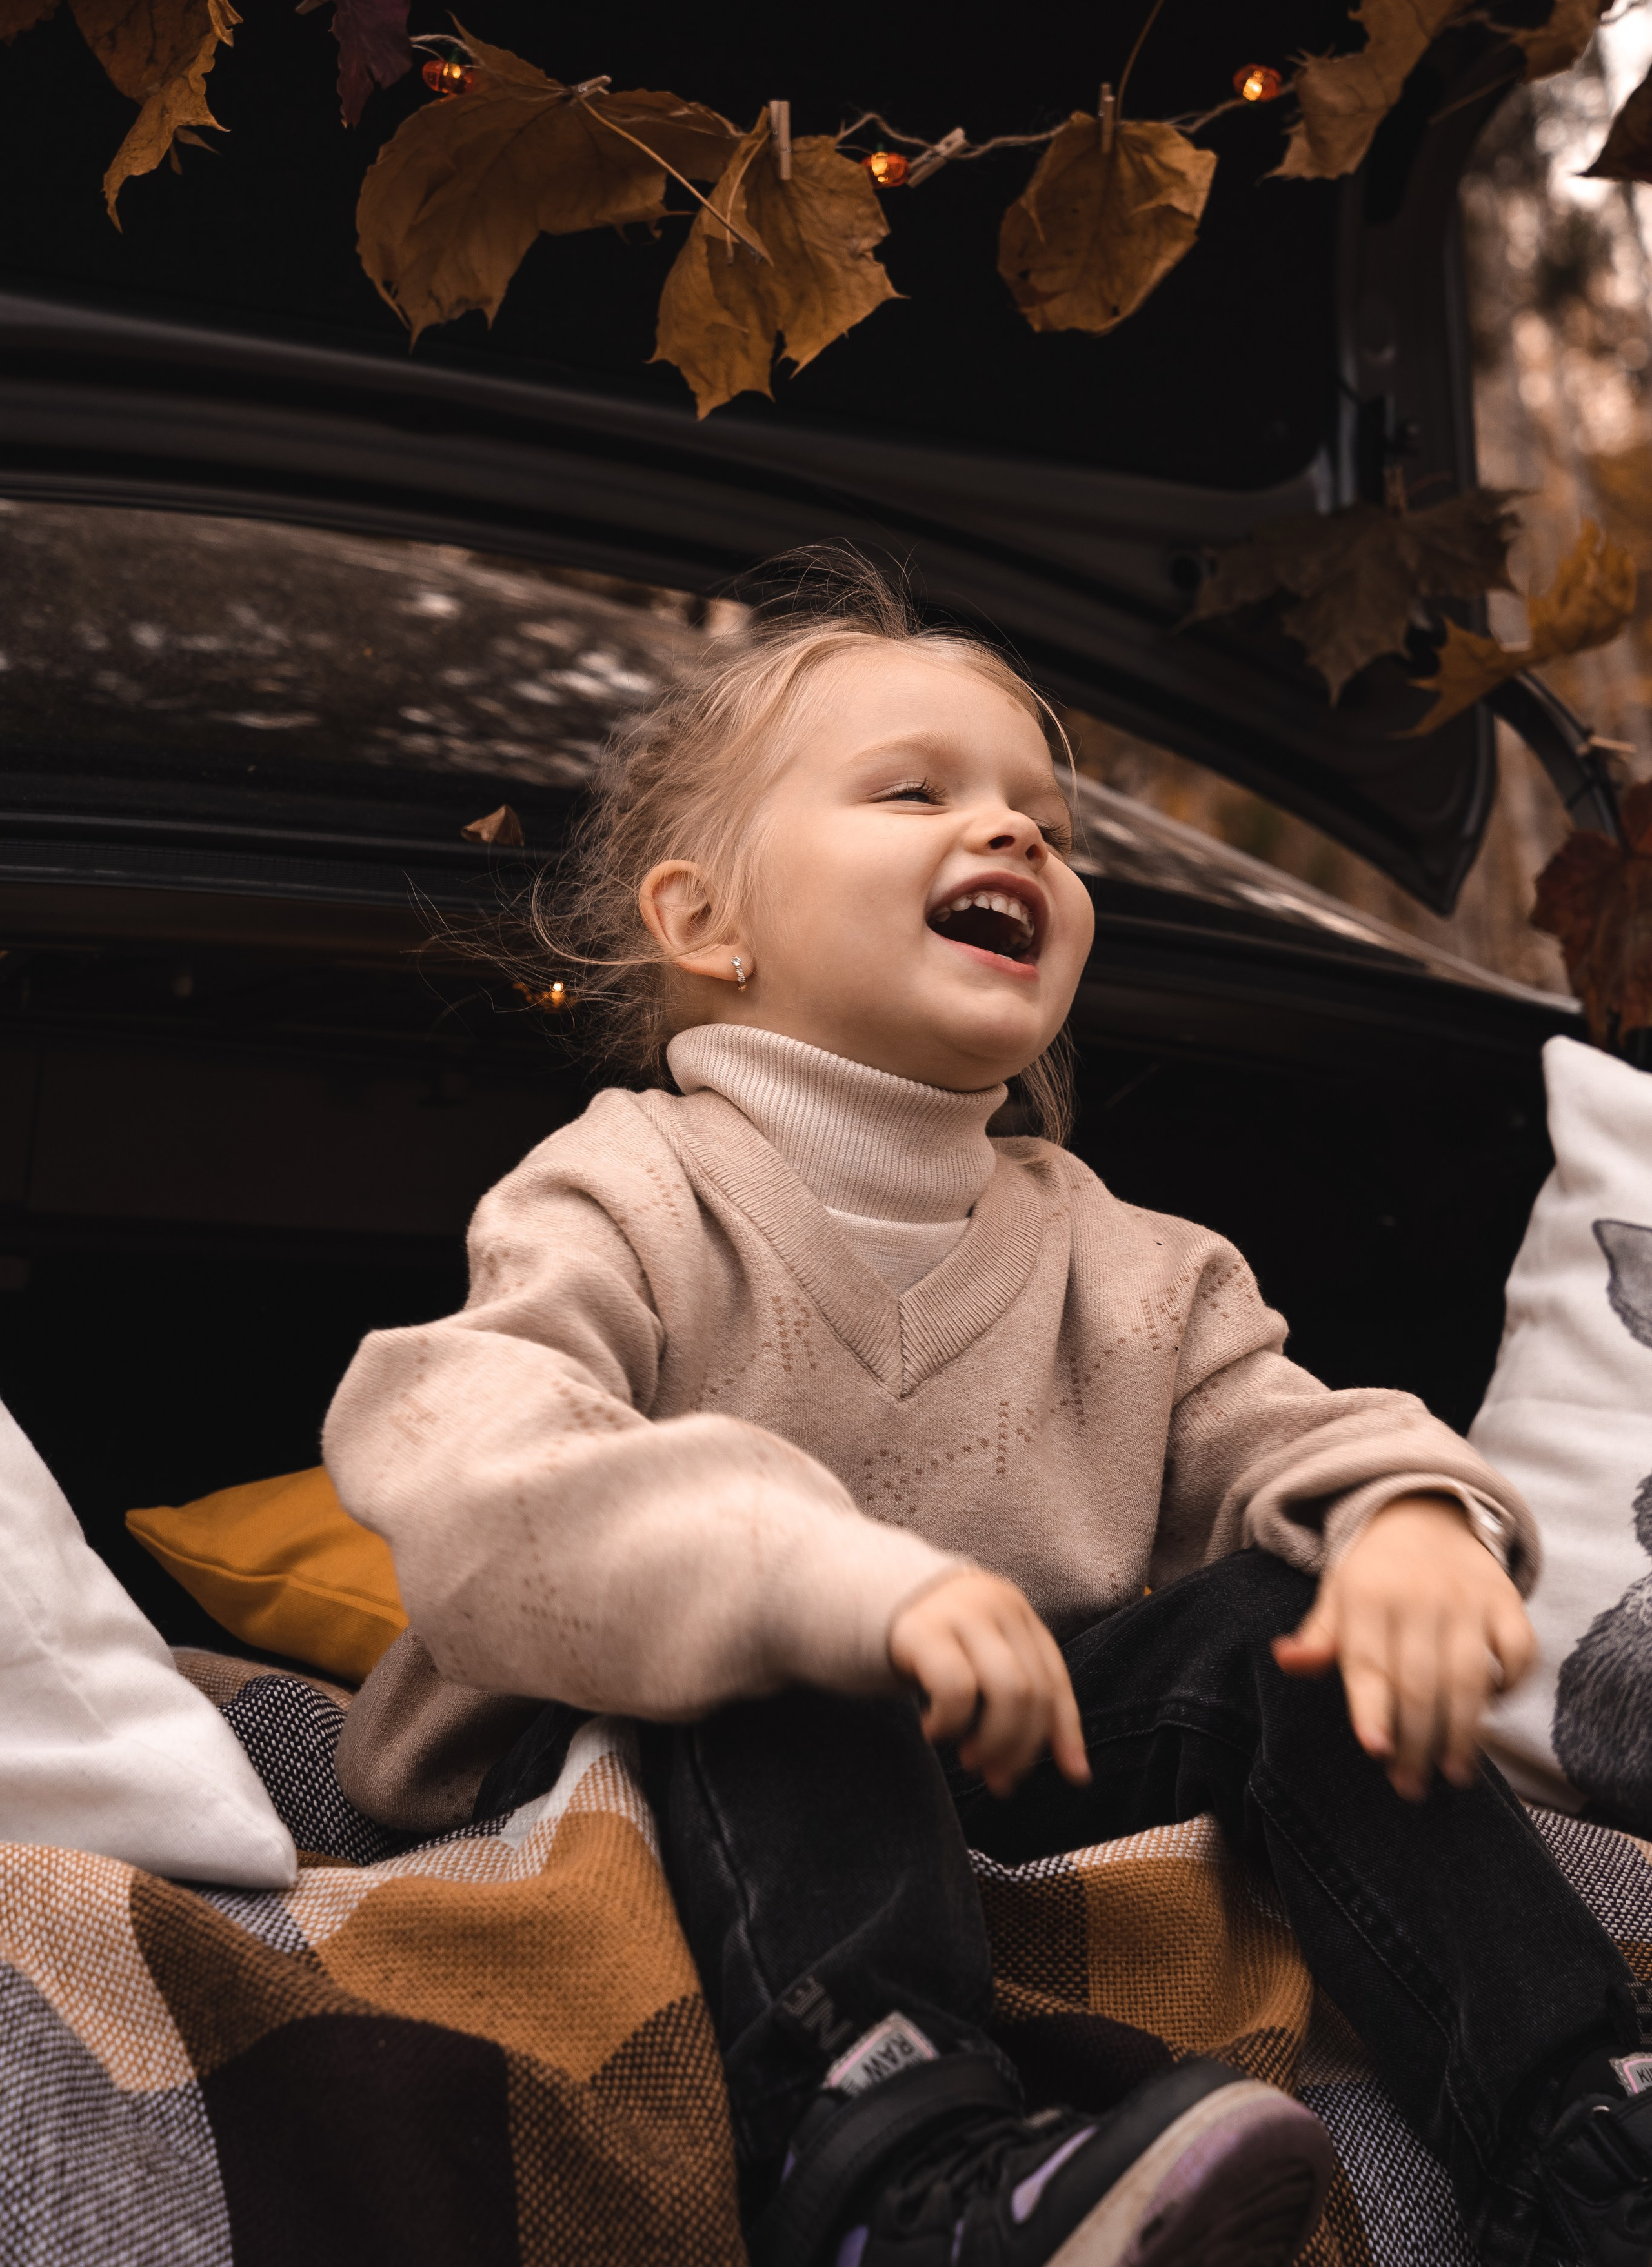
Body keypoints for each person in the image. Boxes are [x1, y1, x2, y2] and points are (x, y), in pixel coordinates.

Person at [325, 558, 1652, 2267]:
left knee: (1284, 1617)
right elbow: (469, 1453)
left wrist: (1403, 1530)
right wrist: (833, 1584)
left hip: (1009, 1761)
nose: (1019, 835)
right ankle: (913, 2179)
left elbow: (1300, 1435)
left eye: (1050, 817)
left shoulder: (1139, 1263)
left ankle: (1582, 2139)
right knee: (783, 1657)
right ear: (701, 923)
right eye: (917, 790)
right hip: (651, 1768)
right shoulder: (620, 1187)